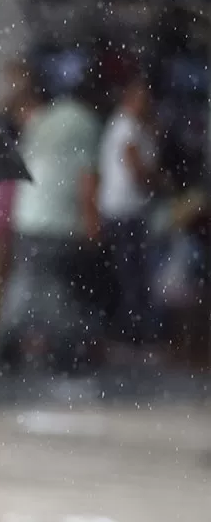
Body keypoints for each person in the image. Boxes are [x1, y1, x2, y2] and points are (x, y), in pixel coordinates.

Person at [0, 74, 105, 372]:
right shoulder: (85, 122)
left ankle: (9, 344)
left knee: (26, 284)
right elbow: (87, 180)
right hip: (60, 220)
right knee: (61, 291)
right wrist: (93, 224)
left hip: (28, 215)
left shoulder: (42, 119)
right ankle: (65, 354)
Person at [96, 75, 160, 351]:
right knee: (130, 273)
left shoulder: (127, 125)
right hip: (124, 209)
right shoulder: (127, 127)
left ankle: (129, 330)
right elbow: (136, 168)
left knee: (129, 272)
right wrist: (159, 181)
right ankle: (131, 333)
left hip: (123, 207)